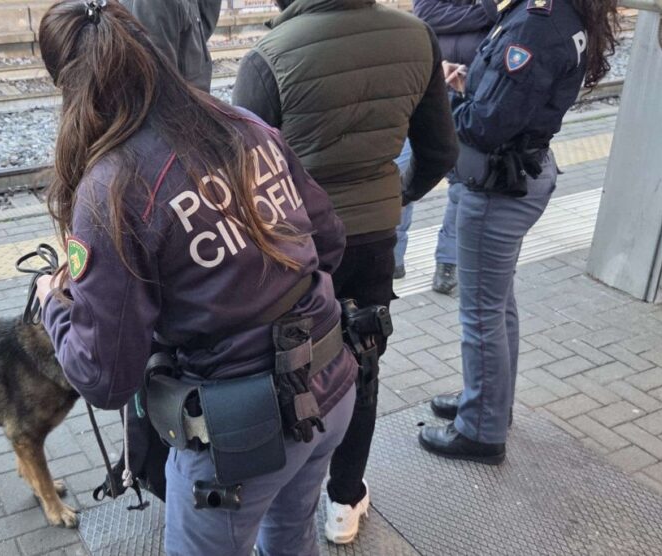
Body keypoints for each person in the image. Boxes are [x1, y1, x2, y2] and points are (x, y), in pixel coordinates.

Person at [33, 2, 358, 554]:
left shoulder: (111, 187)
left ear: (69, 85)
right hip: (332, 385)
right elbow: (328, 243)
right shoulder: (244, 126)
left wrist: (55, 306)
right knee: (290, 536)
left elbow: (105, 376)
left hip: (240, 436)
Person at [233, 0, 458, 545]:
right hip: (374, 239)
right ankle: (344, 498)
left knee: (287, 364)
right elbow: (440, 150)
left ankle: (282, 497)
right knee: (362, 359)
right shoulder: (418, 37)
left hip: (297, 247)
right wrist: (393, 195)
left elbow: (243, 178)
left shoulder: (268, 58)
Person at [418, 0, 620, 464]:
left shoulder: (535, 24)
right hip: (517, 176)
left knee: (481, 314)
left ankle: (481, 432)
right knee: (497, 303)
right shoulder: (551, 13)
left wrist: (437, 103)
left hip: (497, 189)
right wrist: (468, 81)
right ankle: (489, 402)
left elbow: (486, 127)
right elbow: (513, 98)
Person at [393, 0, 495, 291]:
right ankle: (392, 256)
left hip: (472, 90)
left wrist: (461, 15)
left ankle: (448, 263)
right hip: (429, 85)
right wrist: (479, 14)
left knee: (463, 182)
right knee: (401, 172)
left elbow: (498, 12)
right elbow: (427, 12)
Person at [121, 0, 224, 92]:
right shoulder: (153, 4)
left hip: (194, 102)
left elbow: (198, 34)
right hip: (181, 106)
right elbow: (158, 86)